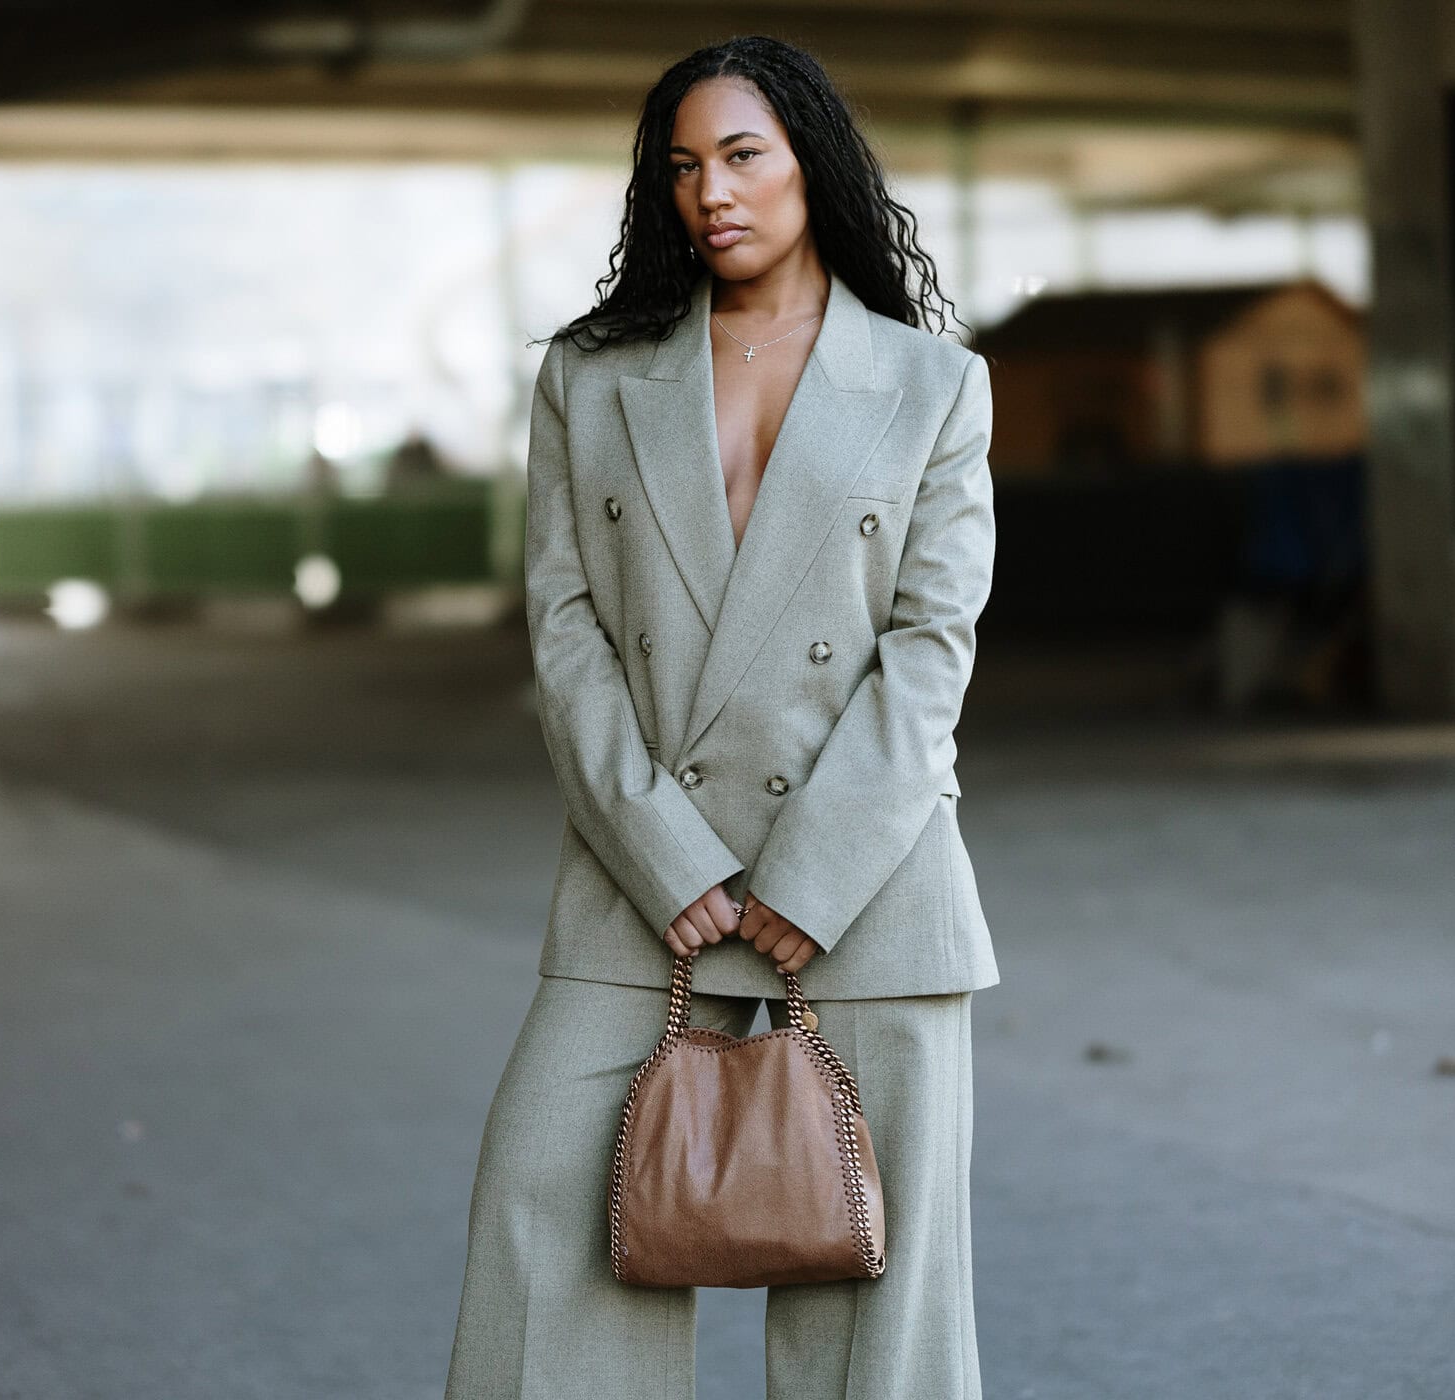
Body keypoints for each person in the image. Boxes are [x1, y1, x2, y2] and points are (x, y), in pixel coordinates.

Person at [444, 34, 999, 1400]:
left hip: (865, 889)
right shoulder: (591, 378)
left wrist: (812, 872)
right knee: (540, 1227)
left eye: (743, 154)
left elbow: (930, 649)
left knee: (880, 1307)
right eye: (684, 165)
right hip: (647, 882)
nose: (713, 191)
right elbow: (564, 631)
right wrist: (666, 852)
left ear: (814, 160)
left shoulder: (934, 388)